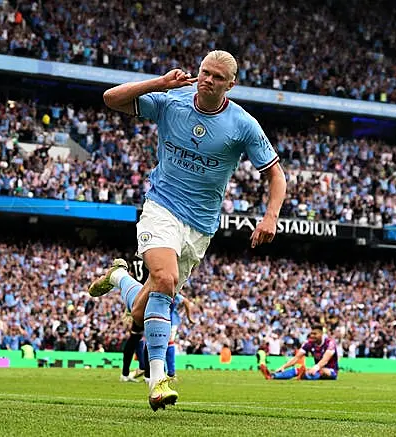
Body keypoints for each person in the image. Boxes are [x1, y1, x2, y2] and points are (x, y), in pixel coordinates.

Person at [89, 49, 287, 411]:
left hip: (200, 226)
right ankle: (157, 380)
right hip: (161, 206)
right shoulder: (172, 100)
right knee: (165, 279)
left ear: (231, 83)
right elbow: (110, 99)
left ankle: (119, 277)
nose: (207, 79)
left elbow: (276, 174)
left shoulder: (242, 124)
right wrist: (160, 82)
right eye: (204, 72)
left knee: (141, 309)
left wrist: (270, 215)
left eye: (216, 76)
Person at [259, 325, 339, 381]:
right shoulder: (309, 343)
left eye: (315, 334)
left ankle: (305, 376)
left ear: (321, 334)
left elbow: (325, 360)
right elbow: (297, 357)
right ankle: (272, 376)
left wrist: (315, 368)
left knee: (322, 371)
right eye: (311, 333)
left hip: (331, 371)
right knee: (297, 369)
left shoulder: (330, 343)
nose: (312, 335)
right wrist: (283, 366)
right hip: (316, 369)